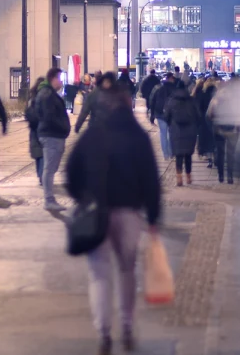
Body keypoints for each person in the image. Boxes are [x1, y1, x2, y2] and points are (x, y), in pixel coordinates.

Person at [65, 83, 161, 355]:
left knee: (99, 274)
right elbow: (151, 179)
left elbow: (71, 171)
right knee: (127, 269)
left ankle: (104, 332)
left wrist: (83, 198)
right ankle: (127, 327)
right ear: (128, 105)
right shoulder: (138, 136)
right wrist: (153, 216)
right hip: (129, 213)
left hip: (98, 213)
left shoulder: (94, 134)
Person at [33, 68, 72, 212]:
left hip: (54, 135)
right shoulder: (47, 95)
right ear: (53, 79)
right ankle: (49, 199)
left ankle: (50, 199)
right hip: (51, 135)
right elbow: (49, 116)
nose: (61, 81)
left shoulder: (50, 94)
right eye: (59, 78)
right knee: (49, 169)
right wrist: (62, 127)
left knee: (51, 168)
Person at [163, 78, 201, 187]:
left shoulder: (171, 100)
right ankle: (188, 176)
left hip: (176, 130)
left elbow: (166, 116)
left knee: (178, 155)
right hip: (190, 131)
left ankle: (179, 177)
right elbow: (198, 115)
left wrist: (171, 124)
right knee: (188, 154)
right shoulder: (192, 100)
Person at [148, 73, 175, 161]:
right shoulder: (174, 89)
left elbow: (152, 101)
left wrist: (152, 115)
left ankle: (165, 155)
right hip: (171, 115)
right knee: (170, 134)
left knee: (163, 134)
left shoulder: (158, 89)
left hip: (160, 114)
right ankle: (171, 153)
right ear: (171, 79)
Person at [25, 77, 46, 184]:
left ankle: (40, 173)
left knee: (37, 152)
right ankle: (42, 175)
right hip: (43, 127)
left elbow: (27, 112)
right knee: (43, 152)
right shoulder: (45, 96)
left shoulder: (31, 96)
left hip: (33, 127)